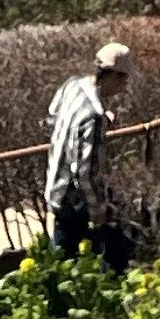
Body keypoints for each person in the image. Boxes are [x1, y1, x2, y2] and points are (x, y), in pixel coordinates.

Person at [42, 41, 133, 261]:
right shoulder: (95, 114)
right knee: (72, 261)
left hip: (54, 181)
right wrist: (97, 209)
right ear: (114, 76)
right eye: (124, 79)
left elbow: (51, 117)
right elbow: (86, 170)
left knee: (61, 255)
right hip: (73, 198)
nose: (124, 86)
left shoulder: (72, 85)